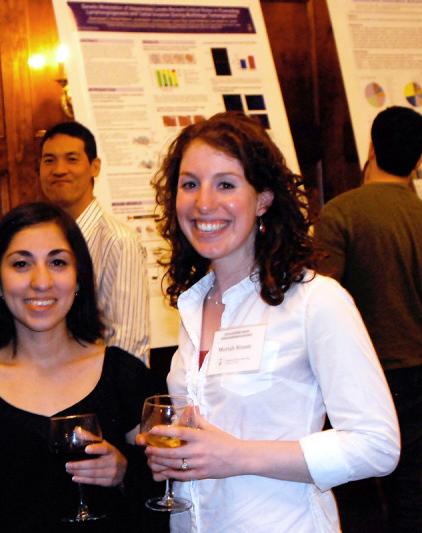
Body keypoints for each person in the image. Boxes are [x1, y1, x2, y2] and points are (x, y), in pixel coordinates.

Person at [140, 111, 400, 532]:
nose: (204, 202)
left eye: (225, 184)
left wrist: (237, 455)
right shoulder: (193, 305)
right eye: (190, 184)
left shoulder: (316, 301)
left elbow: (377, 446)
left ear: (263, 198)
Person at [0, 202, 156, 533]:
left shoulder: (124, 375)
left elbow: (166, 489)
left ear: (78, 278)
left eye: (58, 262)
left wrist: (125, 472)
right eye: (21, 264)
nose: (41, 281)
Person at [315, 106, 422, 532]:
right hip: (418, 374)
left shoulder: (341, 213)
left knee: (357, 492)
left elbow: (320, 298)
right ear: (418, 161)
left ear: (371, 148)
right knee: (413, 489)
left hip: (362, 376)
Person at [39, 121, 151, 362]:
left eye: (72, 159)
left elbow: (127, 344)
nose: (59, 170)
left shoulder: (118, 242)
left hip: (97, 392)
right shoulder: (38, 243)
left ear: (95, 167)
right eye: (49, 160)